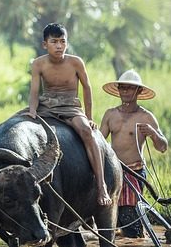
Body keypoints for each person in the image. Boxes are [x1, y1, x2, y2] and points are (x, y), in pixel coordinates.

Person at [21, 23, 112, 206]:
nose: (59, 46)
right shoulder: (38, 63)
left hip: (70, 107)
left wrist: (89, 116)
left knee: (87, 132)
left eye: (63, 41)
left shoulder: (75, 62)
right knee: (9, 125)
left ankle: (101, 186)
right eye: (54, 42)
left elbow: (87, 88)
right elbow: (34, 92)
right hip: (46, 106)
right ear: (44, 44)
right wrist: (32, 111)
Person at [99, 69, 168, 238]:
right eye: (122, 88)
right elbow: (99, 143)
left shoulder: (145, 117)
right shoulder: (110, 114)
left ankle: (135, 237)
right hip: (113, 172)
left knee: (130, 220)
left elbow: (163, 147)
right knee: (108, 218)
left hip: (134, 172)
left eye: (130, 88)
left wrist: (153, 133)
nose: (125, 92)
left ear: (138, 91)